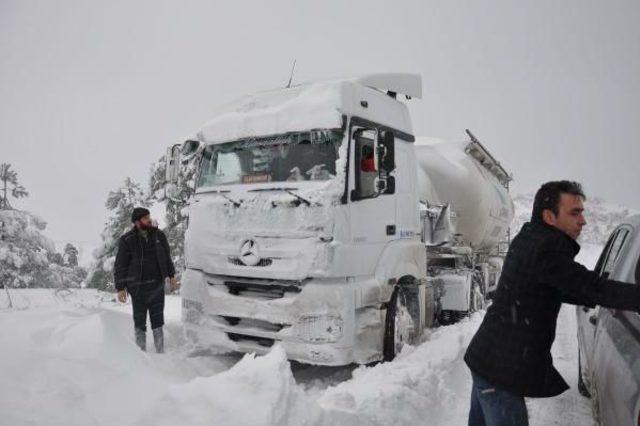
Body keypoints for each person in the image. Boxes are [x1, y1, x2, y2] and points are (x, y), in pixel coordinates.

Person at [464, 181, 640, 426]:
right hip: (500, 372)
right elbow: (590, 286)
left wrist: (590, 294)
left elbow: (560, 285)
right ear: (549, 216)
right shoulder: (547, 250)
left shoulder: (532, 237)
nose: (583, 220)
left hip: (488, 360)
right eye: (574, 212)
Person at [114, 207, 179, 353]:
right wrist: (120, 288)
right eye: (145, 218)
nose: (149, 220)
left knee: (158, 321)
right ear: (137, 222)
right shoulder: (127, 240)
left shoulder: (159, 236)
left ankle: (160, 352)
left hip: (157, 286)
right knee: (139, 323)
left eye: (148, 217)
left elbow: (167, 258)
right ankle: (141, 354)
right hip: (137, 289)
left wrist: (172, 276)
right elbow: (120, 265)